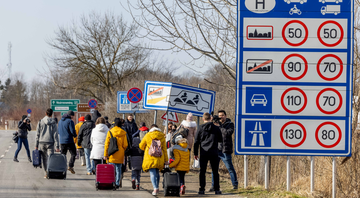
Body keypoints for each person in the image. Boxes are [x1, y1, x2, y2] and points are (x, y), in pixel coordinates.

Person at [193, 112, 222, 195]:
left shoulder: (200, 128)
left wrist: (195, 153)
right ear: (211, 118)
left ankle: (202, 189)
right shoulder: (216, 128)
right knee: (215, 171)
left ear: (203, 119)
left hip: (203, 152)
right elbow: (220, 139)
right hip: (214, 151)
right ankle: (217, 189)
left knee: (202, 171)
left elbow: (196, 142)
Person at [210, 110, 238, 191]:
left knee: (230, 168)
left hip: (225, 149)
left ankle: (235, 184)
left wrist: (219, 126)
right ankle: (213, 186)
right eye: (219, 115)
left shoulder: (230, 124)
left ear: (225, 116)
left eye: (222, 115)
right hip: (216, 149)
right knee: (214, 169)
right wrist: (211, 122)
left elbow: (227, 133)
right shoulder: (215, 124)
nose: (221, 117)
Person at [139, 124, 169, 196]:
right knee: (157, 173)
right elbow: (164, 149)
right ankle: (157, 187)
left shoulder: (148, 135)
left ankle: (155, 188)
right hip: (159, 157)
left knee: (152, 173)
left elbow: (141, 146)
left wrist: (146, 148)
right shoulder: (162, 136)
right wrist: (166, 160)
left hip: (150, 157)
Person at [35, 108, 60, 178]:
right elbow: (55, 135)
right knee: (50, 158)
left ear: (45, 114)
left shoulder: (40, 122)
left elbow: (37, 134)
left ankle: (46, 172)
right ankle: (50, 172)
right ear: (51, 114)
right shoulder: (53, 123)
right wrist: (57, 146)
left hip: (42, 142)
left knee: (44, 159)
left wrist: (36, 145)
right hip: (50, 142)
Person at [104, 118, 128, 189]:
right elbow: (125, 145)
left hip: (112, 153)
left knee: (111, 170)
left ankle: (112, 182)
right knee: (118, 169)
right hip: (120, 153)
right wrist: (122, 149)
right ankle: (117, 183)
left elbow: (106, 144)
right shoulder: (123, 133)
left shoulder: (110, 132)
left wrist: (105, 154)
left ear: (114, 124)